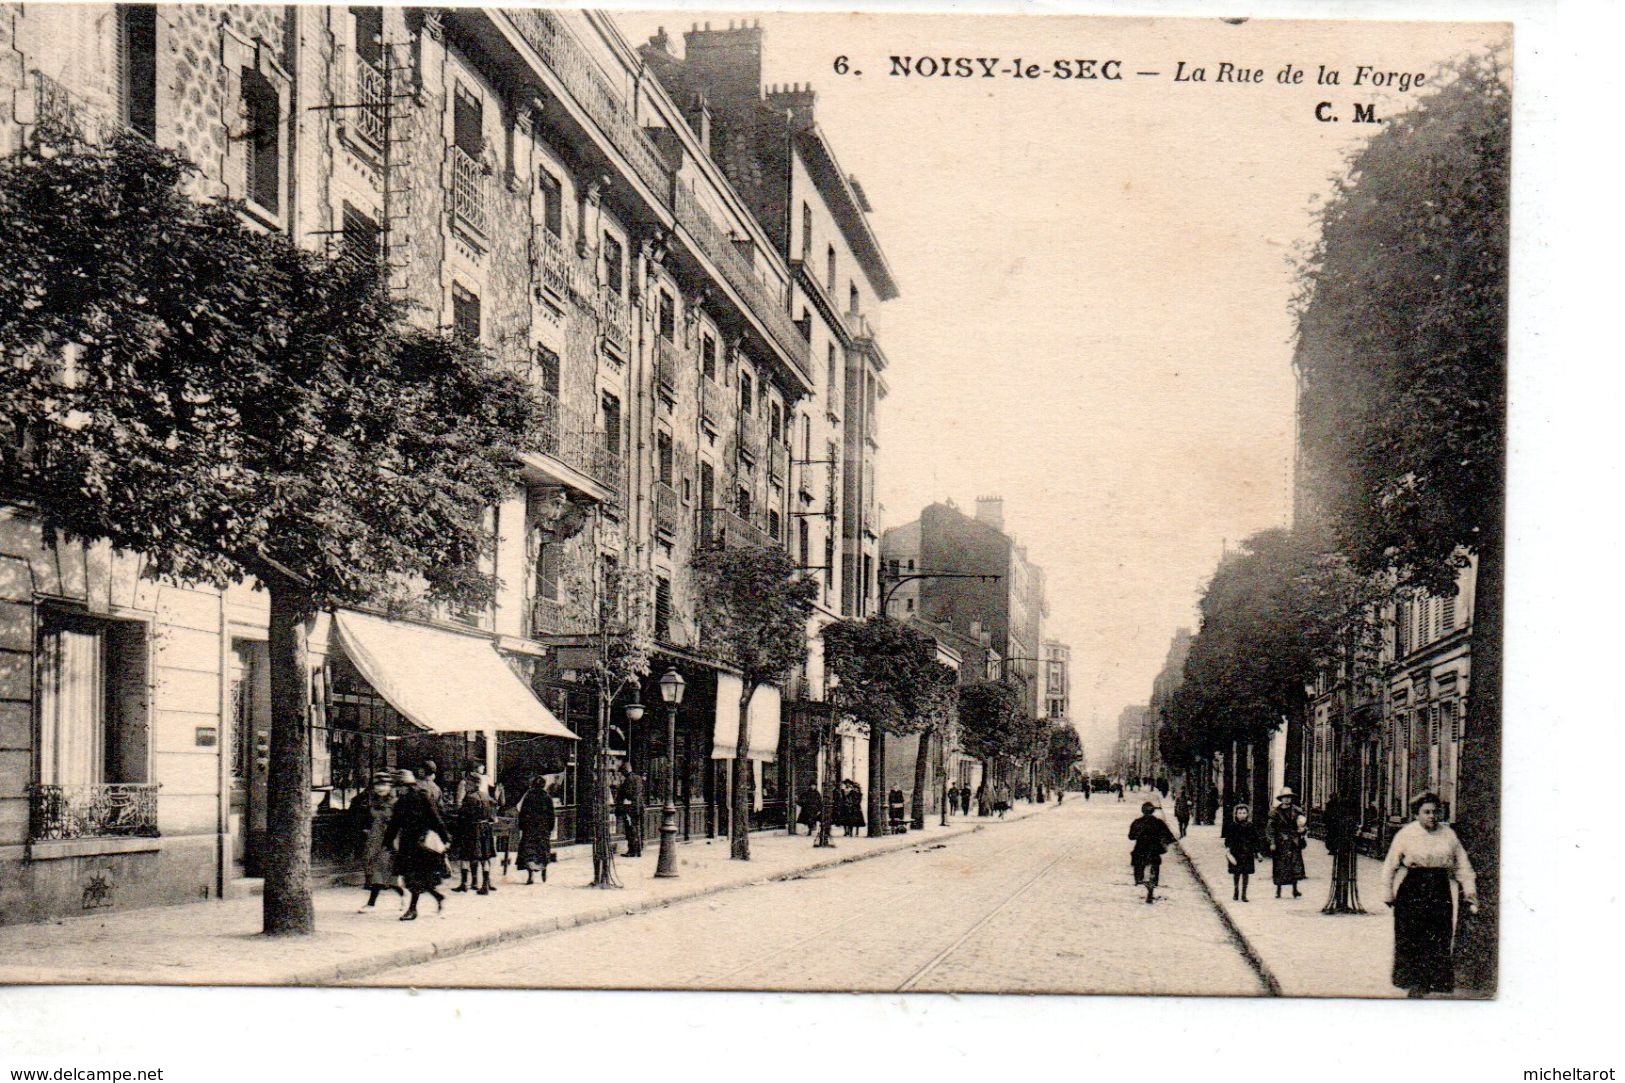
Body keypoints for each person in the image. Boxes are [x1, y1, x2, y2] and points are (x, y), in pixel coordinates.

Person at [1382, 792, 1477, 997]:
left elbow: (1462, 864)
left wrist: (1469, 889)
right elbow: (1390, 865)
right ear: (1417, 814)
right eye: (1426, 812)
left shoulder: (1448, 835)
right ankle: (1414, 981)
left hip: (1439, 887)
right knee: (1412, 934)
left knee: (1439, 933)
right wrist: (1387, 892)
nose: (1431, 816)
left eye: (1435, 812)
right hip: (1413, 888)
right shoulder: (1406, 834)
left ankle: (1435, 980)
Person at [383, 769, 450, 921]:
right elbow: (436, 819)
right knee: (416, 876)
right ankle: (438, 897)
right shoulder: (415, 798)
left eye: (397, 786)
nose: (396, 790)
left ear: (403, 786)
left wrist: (388, 841)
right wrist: (445, 837)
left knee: (413, 876)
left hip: (417, 843)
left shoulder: (411, 799)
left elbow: (395, 824)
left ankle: (412, 909)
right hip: (415, 841)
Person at [356, 770, 404, 912]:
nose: (380, 788)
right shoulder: (372, 801)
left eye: (383, 784)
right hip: (375, 839)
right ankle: (404, 895)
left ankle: (371, 904)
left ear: (389, 786)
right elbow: (367, 818)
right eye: (377, 784)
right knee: (389, 876)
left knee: (379, 869)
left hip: (389, 839)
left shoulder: (395, 803)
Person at [452, 762, 498, 894]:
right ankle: (485, 885)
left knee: (465, 855)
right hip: (485, 829)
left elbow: (462, 814)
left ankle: (464, 884)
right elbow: (493, 815)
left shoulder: (470, 799)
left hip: (471, 829)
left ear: (472, 784)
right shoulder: (487, 797)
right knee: (485, 857)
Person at [1128, 800, 1176, 904]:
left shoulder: (1137, 822)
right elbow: (1169, 836)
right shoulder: (1159, 823)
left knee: (1138, 866)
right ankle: (1152, 886)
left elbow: (1131, 836)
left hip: (1141, 849)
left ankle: (1140, 880)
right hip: (1154, 850)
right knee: (1155, 867)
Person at [514, 775, 556, 885]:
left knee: (529, 852)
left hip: (530, 829)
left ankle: (530, 875)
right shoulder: (547, 797)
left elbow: (522, 813)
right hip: (543, 829)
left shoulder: (528, 796)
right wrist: (550, 827)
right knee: (542, 850)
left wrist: (522, 826)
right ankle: (543, 870)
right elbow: (551, 814)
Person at [1267, 788, 1308, 898]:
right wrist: (1272, 842)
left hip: (1294, 841)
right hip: (1281, 842)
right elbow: (1270, 828)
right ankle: (1278, 890)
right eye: (1284, 797)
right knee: (1280, 866)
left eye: (1289, 797)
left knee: (1294, 865)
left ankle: (1295, 889)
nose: (1286, 799)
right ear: (1281, 799)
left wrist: (1302, 830)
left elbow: (1303, 824)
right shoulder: (1275, 812)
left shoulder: (1297, 810)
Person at [1222, 804, 1264, 902]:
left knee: (1246, 873)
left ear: (1247, 814)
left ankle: (1244, 894)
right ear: (1236, 814)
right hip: (1235, 852)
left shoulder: (1250, 826)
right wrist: (1228, 849)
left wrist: (1257, 852)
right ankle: (1236, 891)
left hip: (1247, 853)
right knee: (1236, 873)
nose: (1241, 815)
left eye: (1244, 813)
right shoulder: (1232, 826)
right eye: (1239, 813)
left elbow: (1255, 840)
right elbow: (1228, 839)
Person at [617, 764, 645, 857]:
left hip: (630, 808)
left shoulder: (628, 780)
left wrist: (621, 791)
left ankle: (632, 850)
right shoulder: (638, 778)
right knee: (637, 828)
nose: (622, 774)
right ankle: (638, 850)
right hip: (639, 808)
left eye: (622, 772)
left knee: (630, 829)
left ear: (625, 771)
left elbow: (628, 794)